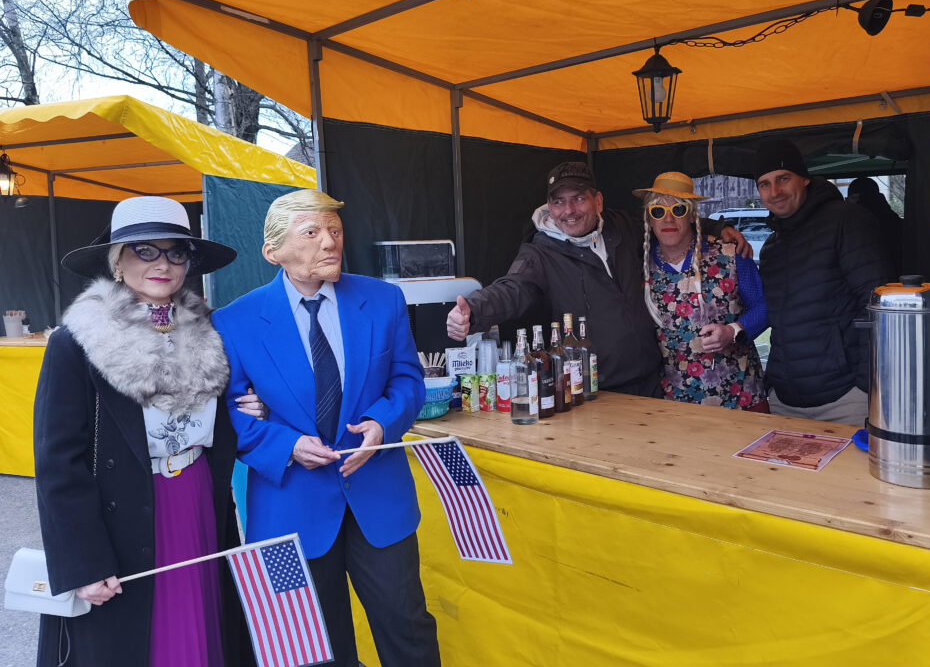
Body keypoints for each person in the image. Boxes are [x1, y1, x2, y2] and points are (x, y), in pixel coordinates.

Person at [210, 189, 440, 667]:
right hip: (287, 508)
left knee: (407, 626)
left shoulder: (384, 300)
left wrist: (381, 423)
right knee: (310, 647)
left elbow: (407, 380)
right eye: (311, 232)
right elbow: (227, 413)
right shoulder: (234, 322)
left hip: (380, 498)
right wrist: (286, 443)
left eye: (334, 230)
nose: (330, 242)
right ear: (273, 252)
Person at [34, 196, 253, 667]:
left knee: (202, 626)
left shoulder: (212, 333)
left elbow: (217, 425)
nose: (163, 264)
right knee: (137, 640)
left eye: (176, 252)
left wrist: (250, 408)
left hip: (197, 499)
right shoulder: (76, 343)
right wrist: (84, 562)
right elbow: (58, 462)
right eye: (145, 250)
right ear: (118, 261)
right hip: (124, 514)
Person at [446, 161, 750, 396]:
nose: (569, 210)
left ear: (598, 202)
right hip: (598, 391)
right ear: (549, 207)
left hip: (653, 383)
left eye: (578, 198)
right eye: (558, 201)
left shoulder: (622, 226)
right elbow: (512, 288)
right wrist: (474, 311)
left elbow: (669, 220)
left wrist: (716, 228)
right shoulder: (539, 253)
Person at [752, 140, 890, 425]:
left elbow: (878, 304)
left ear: (804, 179)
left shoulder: (846, 221)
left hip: (844, 399)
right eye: (764, 184)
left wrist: (865, 384)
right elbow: (776, 319)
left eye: (783, 179)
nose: (774, 192)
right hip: (785, 399)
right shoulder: (771, 247)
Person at [634, 172, 768, 411]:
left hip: (740, 397)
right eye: (658, 211)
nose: (668, 219)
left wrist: (733, 331)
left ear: (692, 215)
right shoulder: (639, 265)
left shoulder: (730, 254)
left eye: (678, 210)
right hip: (672, 402)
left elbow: (765, 306)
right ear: (649, 219)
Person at [846, 176, 903, 274]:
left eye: (849, 199)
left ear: (857, 198)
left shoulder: (859, 226)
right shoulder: (893, 220)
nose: (846, 203)